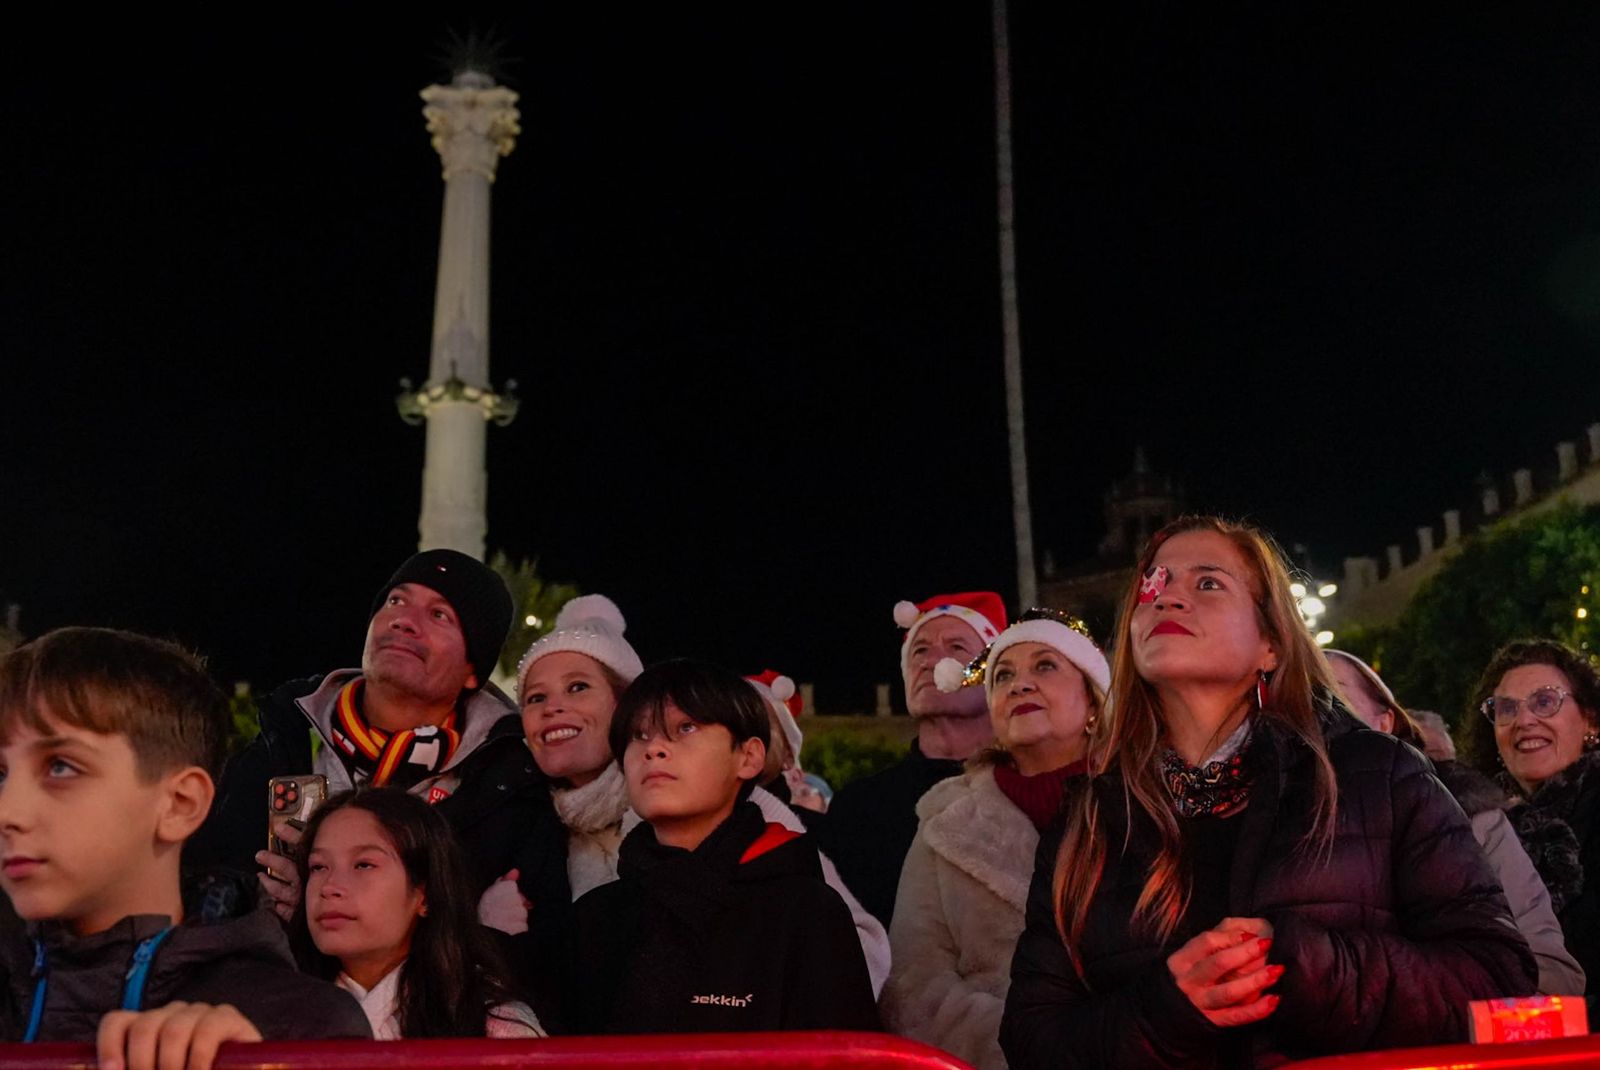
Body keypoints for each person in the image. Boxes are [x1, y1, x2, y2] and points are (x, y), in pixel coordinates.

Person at [1000, 516, 1535, 1069]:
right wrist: (1166, 1013)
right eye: (1154, 585)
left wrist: (1305, 964)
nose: (1169, 599)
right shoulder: (1089, 820)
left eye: (1207, 583)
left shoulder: (1380, 774)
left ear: (1271, 645)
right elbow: (1032, 1038)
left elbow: (1498, 980)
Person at [480, 598, 890, 1001]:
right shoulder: (521, 824)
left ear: (628, 704)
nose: (553, 708)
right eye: (535, 698)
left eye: (578, 687)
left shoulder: (728, 805)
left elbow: (853, 954)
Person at [0, 627, 370, 1064]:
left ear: (180, 803)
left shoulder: (300, 1026)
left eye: (60, 767)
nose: (9, 812)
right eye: (1, 774)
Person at [188, 548, 567, 921]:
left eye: (439, 615)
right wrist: (255, 900)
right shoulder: (286, 739)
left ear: (474, 671)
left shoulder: (509, 786)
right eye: (396, 600)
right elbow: (204, 878)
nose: (404, 620)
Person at [572, 659, 879, 1034]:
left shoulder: (806, 912)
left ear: (749, 757)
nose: (653, 749)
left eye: (685, 728)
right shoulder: (594, 917)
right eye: (638, 735)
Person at [883, 610, 1109, 1070]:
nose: (1019, 685)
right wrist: (1029, 1049)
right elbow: (914, 982)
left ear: (1093, 702)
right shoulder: (943, 822)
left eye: (1045, 666)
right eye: (1003, 675)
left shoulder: (1150, 803)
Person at [1327, 648, 1582, 995]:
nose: (1524, 721)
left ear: (1385, 722)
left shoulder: (1467, 817)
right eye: (1506, 708)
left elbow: (1552, 976)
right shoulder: (1259, 829)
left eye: (1332, 694)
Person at [817, 592, 1007, 926]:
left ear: (996, 675)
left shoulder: (1032, 793)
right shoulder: (858, 810)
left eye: (956, 647)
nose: (929, 660)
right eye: (919, 650)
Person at [292, 787, 542, 1039]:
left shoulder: (492, 1027)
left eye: (363, 864)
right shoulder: (272, 1016)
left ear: (425, 893)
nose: (330, 887)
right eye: (318, 867)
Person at [1466, 639, 1600, 1001]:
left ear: (1590, 719)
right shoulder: (1472, 826)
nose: (1524, 720)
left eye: (1545, 701)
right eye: (1506, 709)